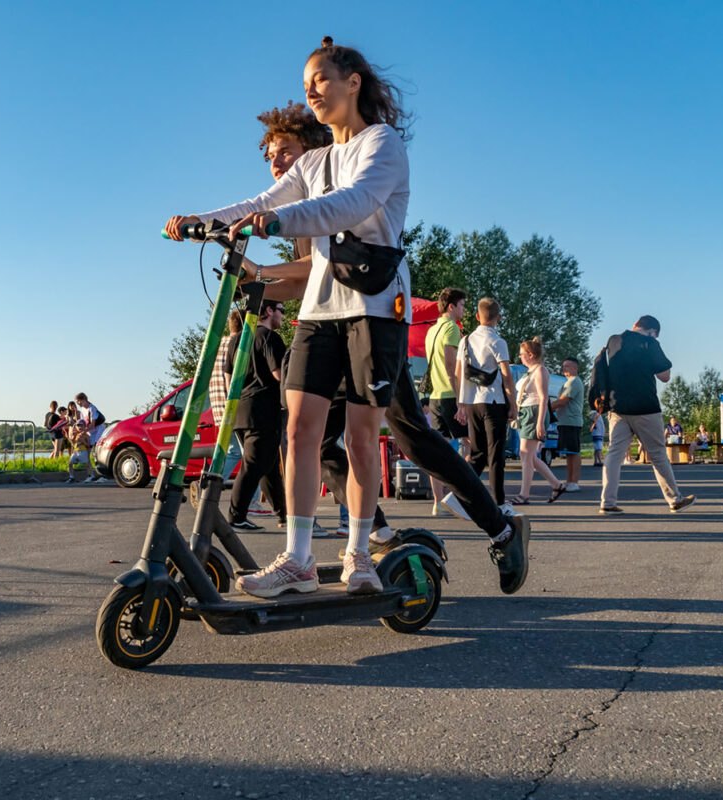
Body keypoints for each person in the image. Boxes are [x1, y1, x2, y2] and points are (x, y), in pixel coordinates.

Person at [167, 38, 528, 596]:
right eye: (305, 84)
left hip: (375, 307)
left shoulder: (381, 145)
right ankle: (299, 559)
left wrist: (276, 223)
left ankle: (362, 551)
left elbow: (352, 204)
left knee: (369, 437)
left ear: (352, 81)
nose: (311, 91)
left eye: (320, 79)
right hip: (318, 311)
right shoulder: (313, 162)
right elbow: (259, 202)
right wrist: (199, 220)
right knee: (300, 429)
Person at [597, 315, 695, 514]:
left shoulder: (613, 340)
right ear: (653, 332)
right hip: (645, 407)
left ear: (635, 325)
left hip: (617, 407)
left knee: (615, 454)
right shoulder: (650, 343)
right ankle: (674, 499)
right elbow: (664, 376)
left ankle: (607, 502)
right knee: (658, 454)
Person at [224, 299, 288, 531]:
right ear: (269, 311)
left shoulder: (236, 340)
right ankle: (235, 515)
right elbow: (280, 373)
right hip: (264, 410)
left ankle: (284, 514)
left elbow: (229, 381)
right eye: (281, 310)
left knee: (267, 465)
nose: (283, 315)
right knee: (254, 465)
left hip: (241, 410)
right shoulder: (269, 338)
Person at [456, 297, 515, 507]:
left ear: (477, 316)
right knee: (496, 454)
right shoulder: (498, 342)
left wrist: (460, 403)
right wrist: (513, 403)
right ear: (498, 318)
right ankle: (499, 502)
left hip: (472, 402)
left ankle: (458, 495)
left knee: (477, 454)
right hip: (493, 401)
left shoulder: (465, 341)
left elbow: (458, 373)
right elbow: (507, 375)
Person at [424, 287, 470, 514]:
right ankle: (459, 496)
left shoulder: (431, 330)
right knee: (472, 445)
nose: (464, 309)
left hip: (435, 397)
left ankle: (437, 501)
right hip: (451, 395)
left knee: (438, 451)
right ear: (451, 306)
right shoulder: (451, 328)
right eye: (462, 305)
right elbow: (452, 366)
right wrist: (461, 399)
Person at [508, 338, 563, 504]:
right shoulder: (530, 371)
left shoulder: (540, 371)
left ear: (530, 355)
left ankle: (524, 494)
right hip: (525, 412)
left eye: (522, 354)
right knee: (530, 456)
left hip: (533, 412)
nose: (520, 357)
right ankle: (556, 484)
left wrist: (540, 423)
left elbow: (543, 397)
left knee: (525, 454)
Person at [210, 310, 246, 480]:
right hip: (234, 406)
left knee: (232, 450)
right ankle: (210, 485)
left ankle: (209, 481)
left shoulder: (218, 344)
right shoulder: (239, 344)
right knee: (249, 454)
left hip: (218, 405)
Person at [550, 356, 585, 492]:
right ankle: (569, 481)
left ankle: (574, 482)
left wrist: (544, 408)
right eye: (564, 366)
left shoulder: (574, 382)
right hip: (565, 422)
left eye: (568, 366)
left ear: (575, 368)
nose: (564, 368)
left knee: (573, 452)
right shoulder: (567, 382)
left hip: (572, 421)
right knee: (569, 453)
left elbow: (562, 401)